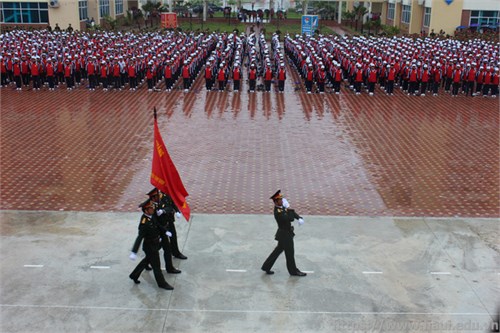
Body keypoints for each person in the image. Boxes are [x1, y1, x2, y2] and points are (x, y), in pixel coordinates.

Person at [129, 199, 174, 290]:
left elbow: (158, 225)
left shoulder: (151, 216)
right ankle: (162, 283)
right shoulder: (144, 224)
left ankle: (134, 275)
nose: (153, 209)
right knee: (156, 266)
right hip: (150, 246)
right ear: (146, 210)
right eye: (151, 208)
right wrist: (134, 251)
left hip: (156, 243)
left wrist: (165, 231)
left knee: (147, 260)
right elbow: (139, 237)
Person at [261, 190, 307, 276]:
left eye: (282, 199)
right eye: (280, 200)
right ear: (276, 201)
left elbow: (292, 213)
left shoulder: (282, 207)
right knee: (290, 253)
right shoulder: (278, 212)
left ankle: (266, 266)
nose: (282, 201)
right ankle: (293, 271)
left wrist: (299, 217)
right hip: (285, 235)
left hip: (284, 234)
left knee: (277, 251)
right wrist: (288, 208)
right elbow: (289, 218)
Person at [147, 188, 185, 269]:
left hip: (169, 220)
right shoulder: (155, 201)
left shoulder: (167, 194)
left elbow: (171, 204)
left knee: (173, 237)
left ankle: (176, 253)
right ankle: (147, 261)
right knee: (158, 246)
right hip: (162, 226)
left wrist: (177, 211)